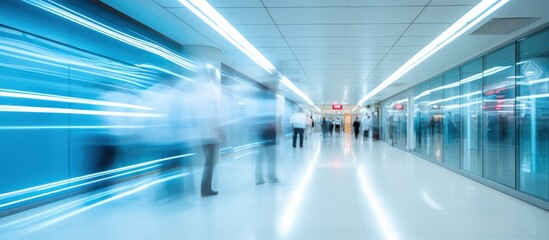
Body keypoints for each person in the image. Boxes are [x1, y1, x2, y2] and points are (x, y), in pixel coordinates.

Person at [256, 115, 280, 185]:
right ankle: (271, 177)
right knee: (271, 159)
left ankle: (260, 179)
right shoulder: (272, 115)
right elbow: (275, 126)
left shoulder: (260, 114)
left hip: (262, 139)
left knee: (260, 160)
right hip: (269, 139)